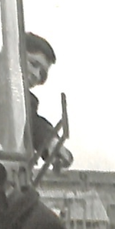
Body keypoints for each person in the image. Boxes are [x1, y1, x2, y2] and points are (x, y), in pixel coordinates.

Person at [25, 32, 72, 169]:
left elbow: (33, 123)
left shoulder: (26, 102)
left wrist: (51, 143)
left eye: (43, 74)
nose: (36, 75)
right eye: (34, 64)